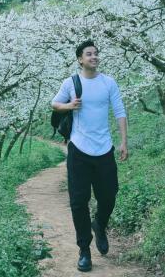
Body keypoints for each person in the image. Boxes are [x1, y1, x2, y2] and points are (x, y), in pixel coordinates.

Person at [51, 40, 128, 272]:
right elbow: (55, 104)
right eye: (88, 54)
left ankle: (100, 224)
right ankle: (84, 250)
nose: (94, 57)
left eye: (96, 53)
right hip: (79, 150)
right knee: (78, 201)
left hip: (104, 149)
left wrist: (124, 142)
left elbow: (120, 111)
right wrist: (69, 106)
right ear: (80, 59)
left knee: (109, 195)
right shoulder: (71, 82)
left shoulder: (108, 82)